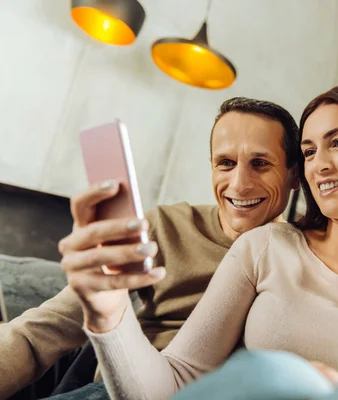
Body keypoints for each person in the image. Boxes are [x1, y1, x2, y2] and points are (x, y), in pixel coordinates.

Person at [64, 85, 338, 400]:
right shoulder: (265, 247)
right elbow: (173, 383)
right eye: (308, 151)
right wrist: (109, 315)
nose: (320, 164)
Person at [0, 97, 300, 399]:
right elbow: (51, 326)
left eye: (260, 164)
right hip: (114, 382)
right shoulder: (165, 225)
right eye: (226, 163)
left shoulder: (305, 256)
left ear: (294, 175)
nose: (239, 184)